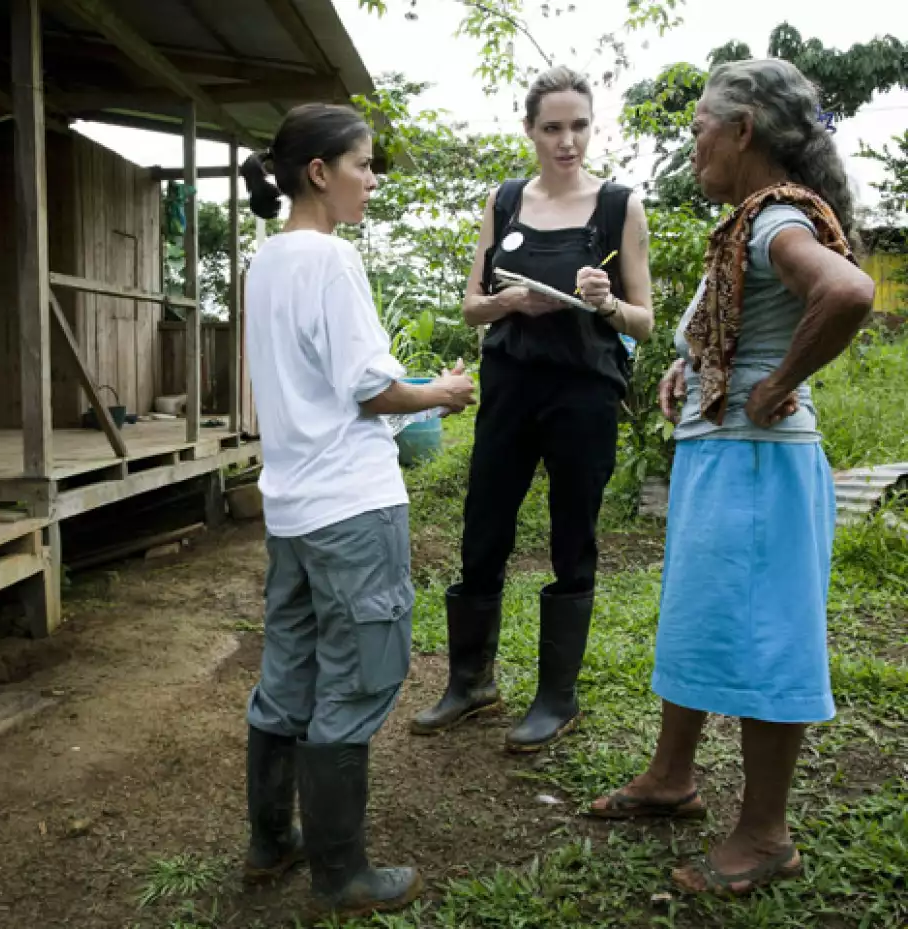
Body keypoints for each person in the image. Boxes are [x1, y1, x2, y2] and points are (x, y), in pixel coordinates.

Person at [588, 59, 875, 896]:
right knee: (701, 618)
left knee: (765, 636)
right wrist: (696, 367)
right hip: (726, 459)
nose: (693, 149)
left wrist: (778, 382)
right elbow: (737, 328)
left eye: (699, 130)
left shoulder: (775, 219)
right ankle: (671, 775)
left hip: (758, 465)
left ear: (743, 130)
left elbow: (850, 294)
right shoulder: (754, 220)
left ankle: (765, 833)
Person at [237, 103, 476, 918]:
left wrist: (409, 397)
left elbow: (313, 381)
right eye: (363, 164)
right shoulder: (333, 262)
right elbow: (372, 390)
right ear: (319, 172)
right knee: (361, 671)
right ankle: (341, 875)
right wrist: (442, 392)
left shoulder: (262, 263)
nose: (371, 179)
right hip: (352, 507)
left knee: (289, 671)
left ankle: (272, 841)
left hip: (292, 508)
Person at [410, 66, 654, 751]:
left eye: (578, 126)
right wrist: (507, 301)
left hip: (584, 389)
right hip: (510, 383)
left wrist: (606, 303)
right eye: (552, 128)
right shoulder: (506, 199)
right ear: (530, 130)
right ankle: (471, 682)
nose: (566, 141)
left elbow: (645, 321)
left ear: (591, 126)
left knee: (572, 533)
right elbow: (470, 304)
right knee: (483, 523)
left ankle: (557, 696)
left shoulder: (618, 206)